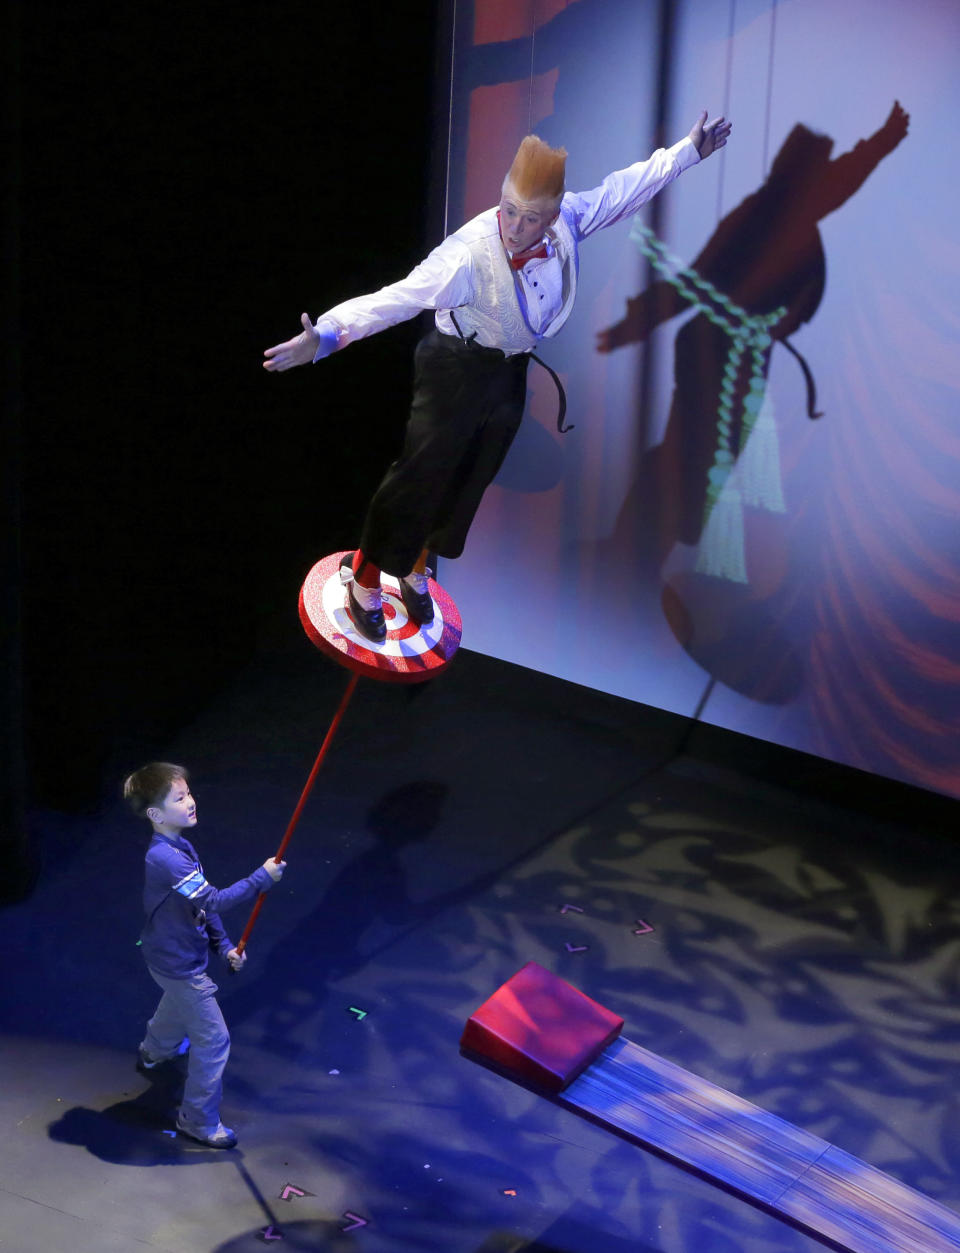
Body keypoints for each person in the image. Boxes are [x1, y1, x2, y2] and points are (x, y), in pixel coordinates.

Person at [264, 112, 732, 642]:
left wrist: (688, 150)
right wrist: (324, 337)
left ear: (553, 213)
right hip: (454, 367)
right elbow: (396, 299)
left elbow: (623, 190)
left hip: (507, 369)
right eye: (509, 211)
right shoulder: (466, 256)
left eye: (531, 218)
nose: (515, 227)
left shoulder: (568, 220)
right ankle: (367, 579)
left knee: (471, 476)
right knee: (421, 474)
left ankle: (416, 568)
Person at [124, 761, 286, 1149]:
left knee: (177, 1005)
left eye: (189, 793)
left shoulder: (181, 846)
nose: (191, 802)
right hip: (178, 964)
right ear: (155, 814)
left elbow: (202, 907)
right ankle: (197, 1120)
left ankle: (153, 1053)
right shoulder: (166, 858)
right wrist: (261, 878)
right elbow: (214, 899)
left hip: (172, 959)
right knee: (213, 1041)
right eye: (179, 798)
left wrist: (225, 946)